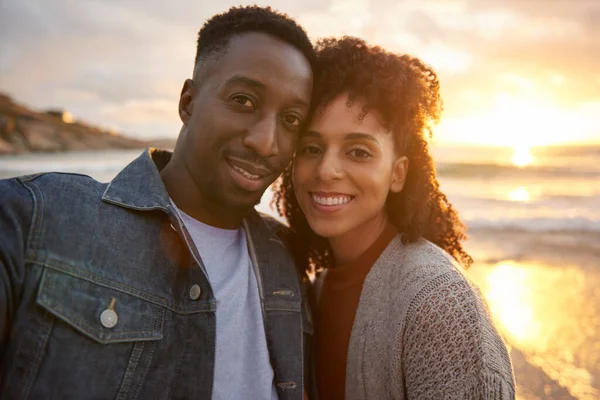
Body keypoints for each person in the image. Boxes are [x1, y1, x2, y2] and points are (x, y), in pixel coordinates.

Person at [0, 6, 315, 399]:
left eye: (291, 120)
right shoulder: (36, 218)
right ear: (188, 102)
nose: (267, 143)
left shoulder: (290, 258)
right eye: (244, 101)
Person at [273, 37, 515, 399]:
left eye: (358, 151)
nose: (326, 169)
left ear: (398, 174)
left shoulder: (438, 302)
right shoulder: (314, 289)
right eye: (311, 148)